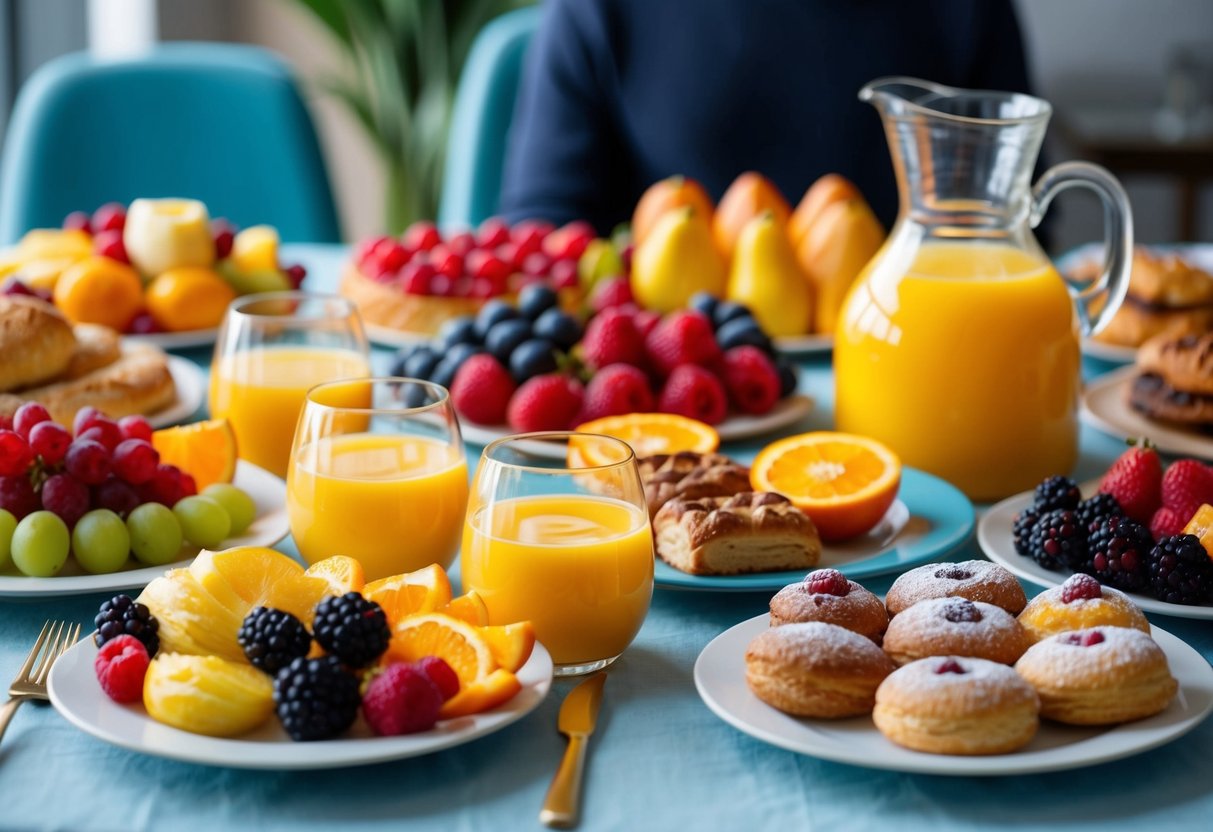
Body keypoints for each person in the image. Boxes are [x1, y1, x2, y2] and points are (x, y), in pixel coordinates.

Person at [498, 0, 1036, 235]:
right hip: (676, 386)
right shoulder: (600, 9)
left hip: (911, 357)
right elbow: (544, 232)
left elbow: (1015, 211)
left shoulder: (965, 9)